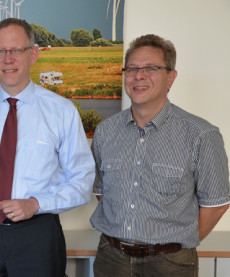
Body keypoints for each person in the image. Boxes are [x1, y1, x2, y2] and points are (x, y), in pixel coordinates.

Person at [0, 18, 95, 277]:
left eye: (17, 50)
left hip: (37, 236)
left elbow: (82, 181)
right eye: (0, 51)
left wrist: (36, 203)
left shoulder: (62, 112)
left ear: (33, 54)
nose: (8, 59)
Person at [90, 34, 230, 276]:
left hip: (170, 264)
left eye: (151, 68)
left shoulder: (201, 135)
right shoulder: (105, 131)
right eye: (132, 68)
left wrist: (175, 242)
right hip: (111, 259)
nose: (139, 76)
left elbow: (216, 204)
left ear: (171, 78)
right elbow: (102, 193)